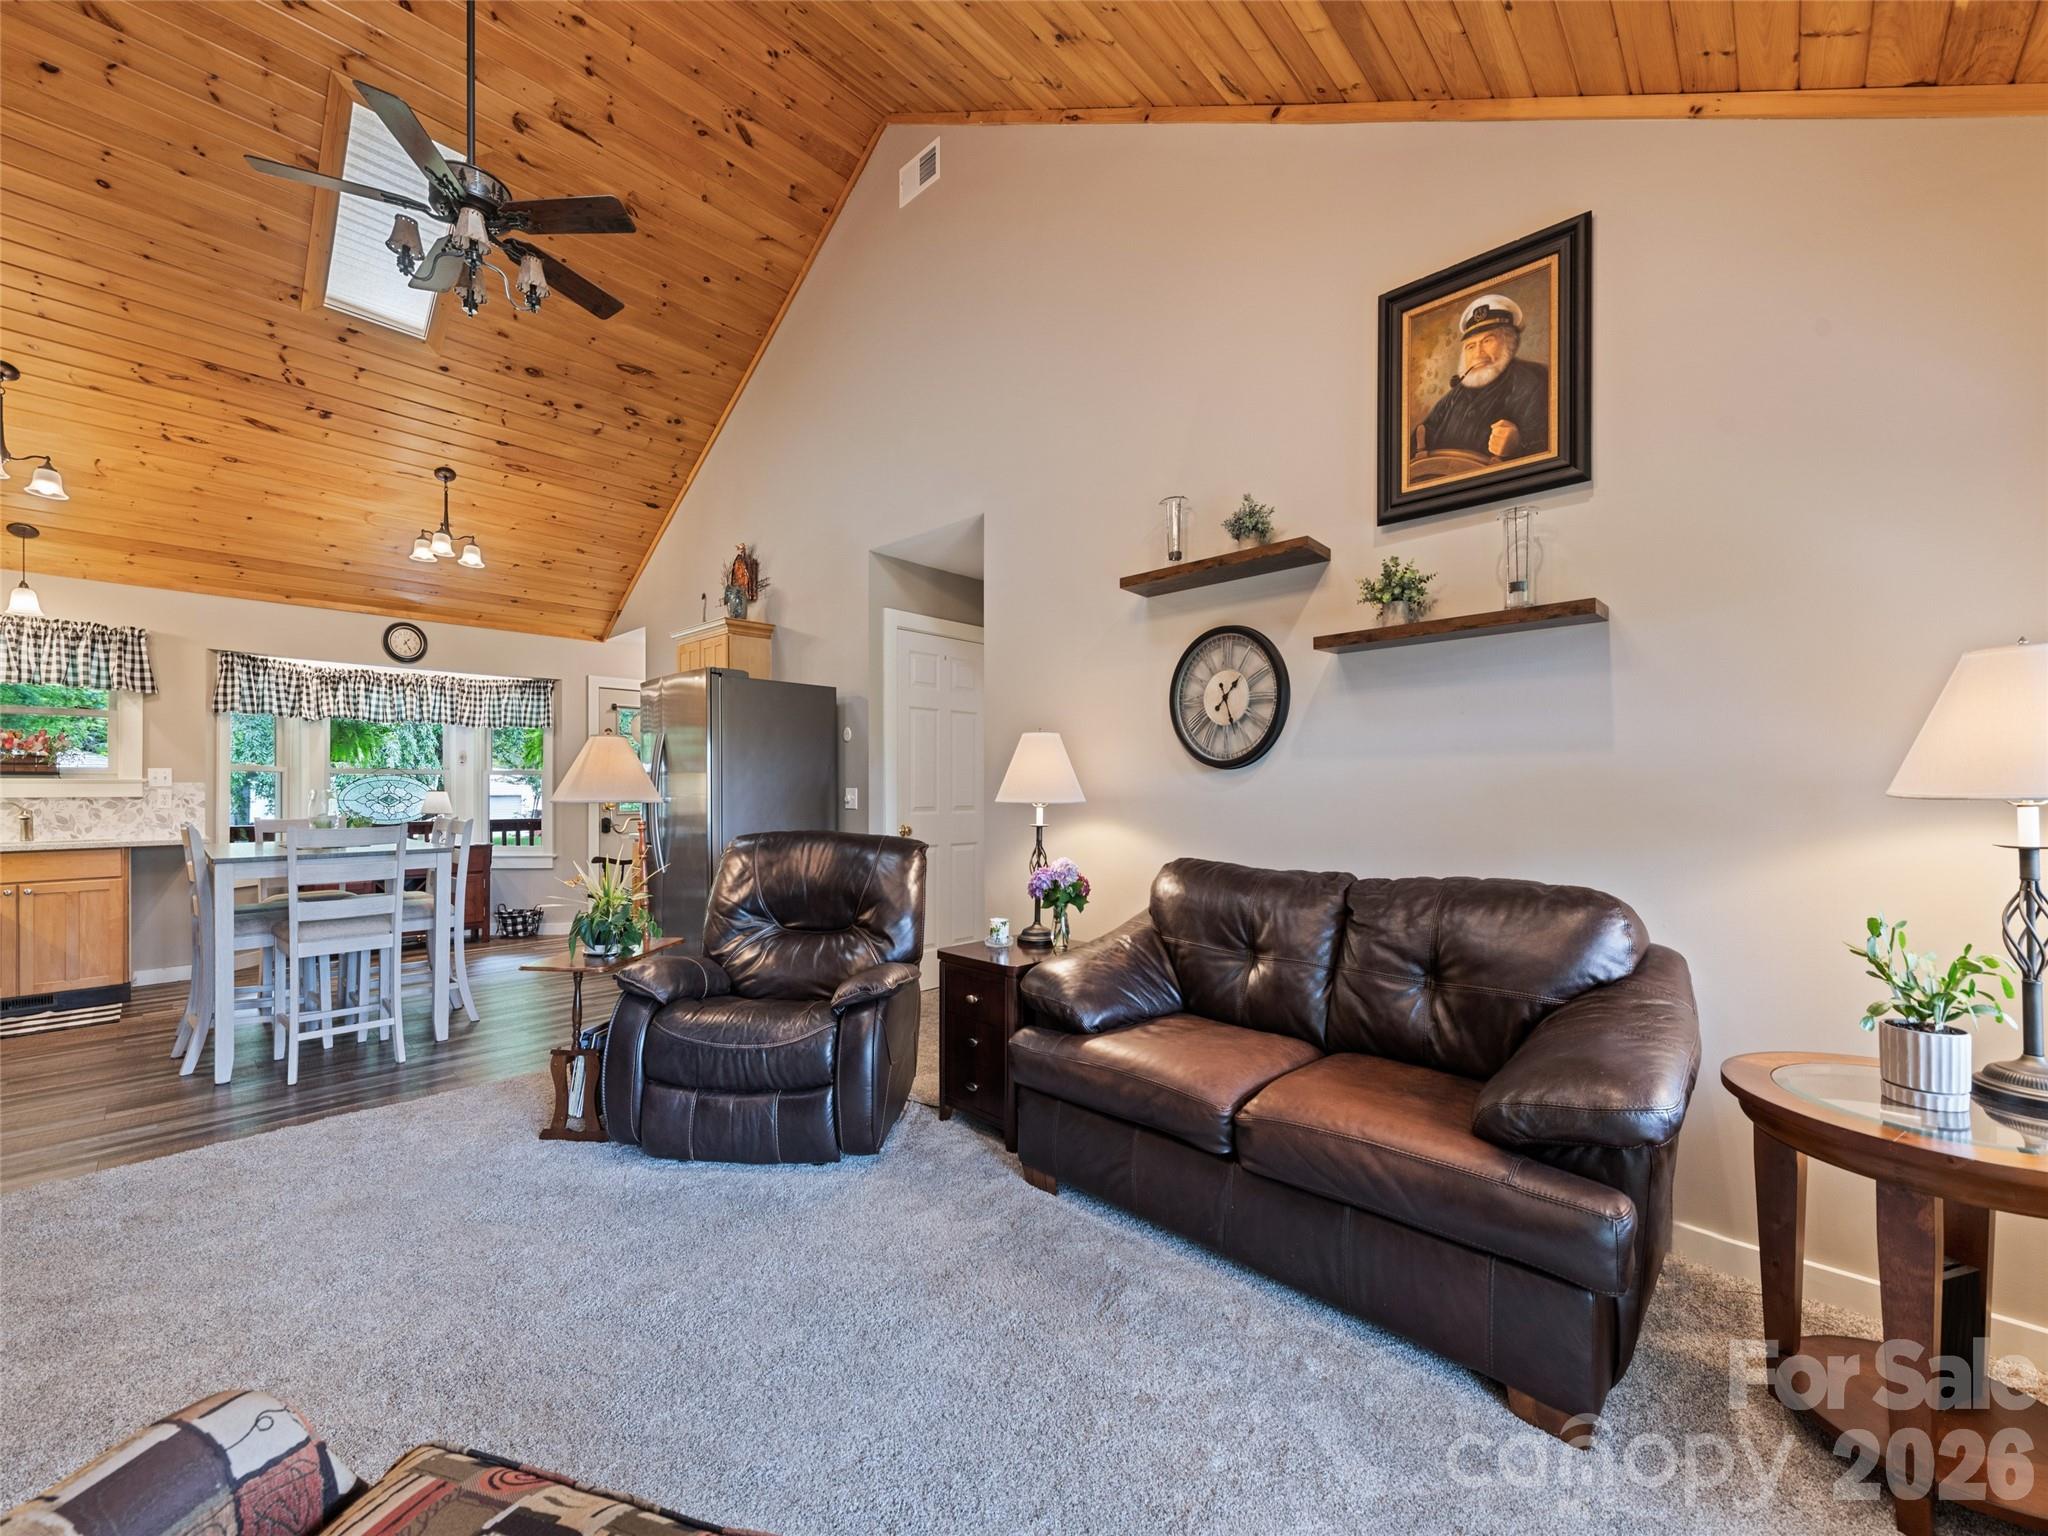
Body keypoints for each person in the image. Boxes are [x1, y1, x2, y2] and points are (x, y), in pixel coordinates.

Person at [1411, 293, 1549, 464]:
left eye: (1487, 341)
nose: (1478, 353)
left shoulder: (1536, 382)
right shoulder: (1456, 394)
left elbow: (1551, 449)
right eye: (1470, 346)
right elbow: (1419, 439)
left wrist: (1518, 446)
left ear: (1509, 342)